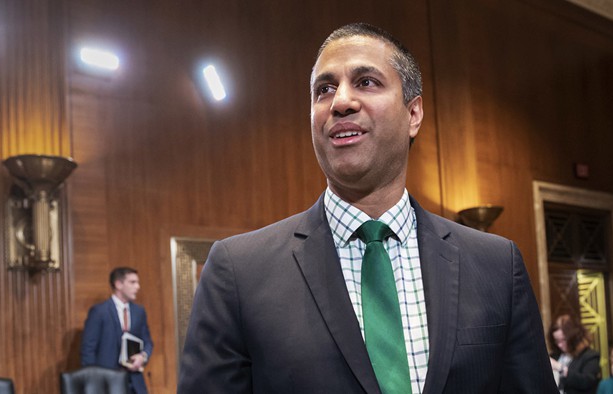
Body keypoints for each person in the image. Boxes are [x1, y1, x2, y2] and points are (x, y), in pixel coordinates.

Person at [178, 22, 557, 393]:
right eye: (324, 89)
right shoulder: (238, 272)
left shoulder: (495, 265)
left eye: (366, 82)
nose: (340, 101)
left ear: (413, 115)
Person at [82, 267, 154, 394]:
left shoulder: (139, 311)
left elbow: (148, 342)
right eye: (132, 282)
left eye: (137, 282)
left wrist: (143, 357)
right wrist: (94, 385)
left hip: (134, 383)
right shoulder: (99, 312)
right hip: (106, 383)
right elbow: (88, 350)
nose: (138, 286)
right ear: (118, 284)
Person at [547, 315, 600, 394]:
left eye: (563, 340)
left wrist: (561, 368)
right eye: (557, 341)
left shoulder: (590, 356)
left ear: (574, 337)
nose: (560, 345)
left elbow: (586, 382)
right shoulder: (555, 355)